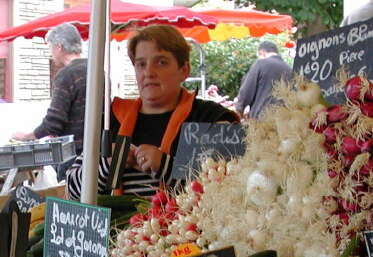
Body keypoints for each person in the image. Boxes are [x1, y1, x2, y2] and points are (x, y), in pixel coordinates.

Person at [67, 24, 239, 200]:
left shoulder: (212, 120)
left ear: (184, 70)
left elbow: (231, 191)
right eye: (141, 64)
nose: (148, 72)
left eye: (161, 62)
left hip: (186, 227)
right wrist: (107, 165)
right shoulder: (110, 120)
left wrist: (166, 166)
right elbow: (72, 191)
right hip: (118, 227)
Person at [12, 23, 87, 169]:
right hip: (97, 152)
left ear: (59, 47)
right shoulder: (97, 70)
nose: (50, 53)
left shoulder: (66, 75)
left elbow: (54, 122)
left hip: (74, 156)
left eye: (50, 47)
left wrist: (27, 136)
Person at [235, 41, 292, 120]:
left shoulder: (261, 63)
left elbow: (246, 92)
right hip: (283, 120)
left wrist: (239, 109)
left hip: (261, 119)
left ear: (262, 53)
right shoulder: (289, 69)